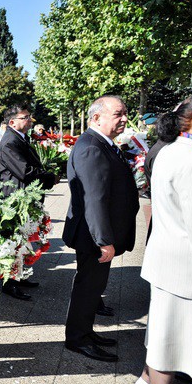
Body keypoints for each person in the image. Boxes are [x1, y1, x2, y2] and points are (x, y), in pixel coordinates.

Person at [136, 93, 192, 384]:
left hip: (167, 255)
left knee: (163, 326)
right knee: (171, 330)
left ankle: (149, 380)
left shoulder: (171, 149)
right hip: (185, 262)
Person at [62, 95, 139, 362]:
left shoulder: (102, 143)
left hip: (96, 234)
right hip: (92, 236)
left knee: (94, 288)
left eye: (125, 113)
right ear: (96, 117)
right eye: (118, 114)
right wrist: (103, 239)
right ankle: (77, 339)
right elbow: (94, 198)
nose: (124, 118)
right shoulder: (91, 147)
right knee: (88, 287)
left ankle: (85, 331)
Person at [0, 104, 58, 301]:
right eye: (25, 117)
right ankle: (9, 283)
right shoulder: (9, 142)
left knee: (23, 241)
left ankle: (20, 275)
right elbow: (24, 172)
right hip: (15, 199)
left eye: (29, 116)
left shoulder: (19, 138)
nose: (29, 120)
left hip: (25, 198)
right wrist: (50, 177)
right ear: (12, 122)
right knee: (13, 242)